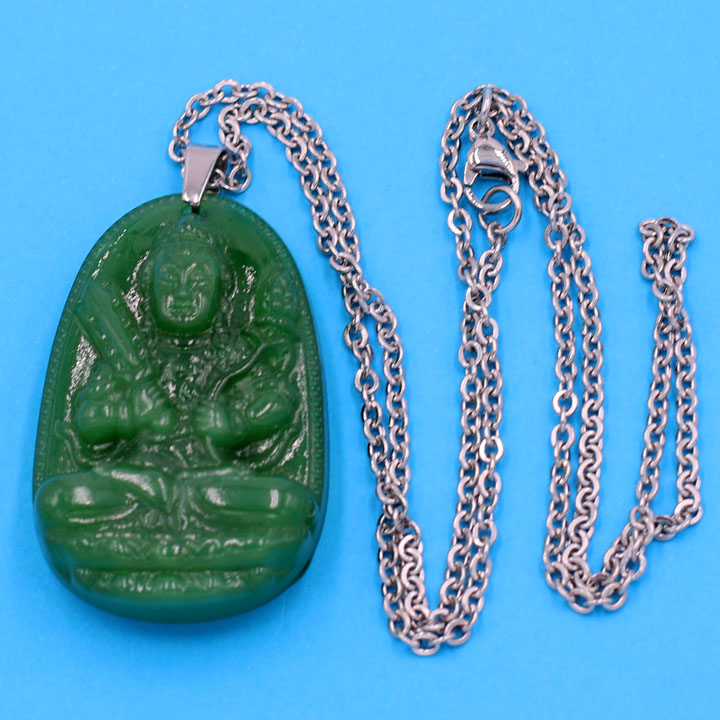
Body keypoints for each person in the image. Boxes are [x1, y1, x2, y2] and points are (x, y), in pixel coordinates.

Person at [35, 214, 317, 575]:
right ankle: (226, 554)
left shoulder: (234, 353)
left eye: (198, 282)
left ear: (223, 291)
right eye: (169, 281)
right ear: (147, 289)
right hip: (136, 483)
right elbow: (87, 419)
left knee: (289, 504)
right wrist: (128, 415)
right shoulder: (132, 357)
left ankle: (123, 554)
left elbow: (280, 401)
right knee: (56, 500)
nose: (183, 294)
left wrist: (235, 424)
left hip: (212, 484)